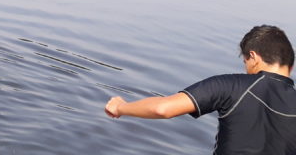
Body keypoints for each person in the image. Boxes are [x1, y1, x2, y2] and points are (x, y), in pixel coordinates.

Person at [105, 24, 296, 154]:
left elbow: (162, 108)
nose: (246, 68)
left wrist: (121, 107)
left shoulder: (230, 85)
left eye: (245, 61)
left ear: (253, 57)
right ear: (291, 66)